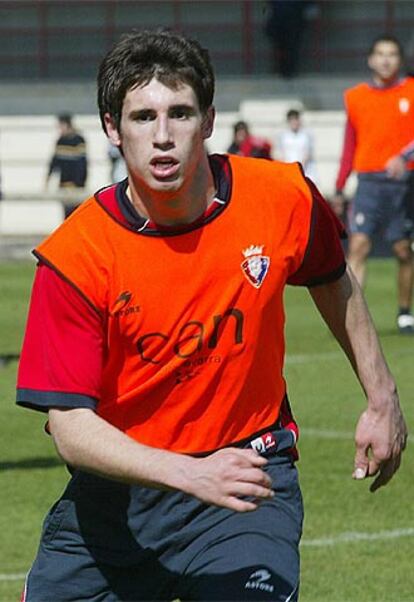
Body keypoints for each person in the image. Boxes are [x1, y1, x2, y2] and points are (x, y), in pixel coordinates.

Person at [16, 30, 407, 602]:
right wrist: (187, 473)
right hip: (117, 498)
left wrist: (382, 397)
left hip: (247, 473)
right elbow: (72, 430)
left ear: (208, 120)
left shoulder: (282, 196)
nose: (164, 136)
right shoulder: (75, 259)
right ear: (111, 128)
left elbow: (331, 275)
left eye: (180, 113)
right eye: (143, 117)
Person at [334, 35, 414, 334]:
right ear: (370, 59)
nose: (385, 59)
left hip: (403, 184)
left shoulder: (412, 92)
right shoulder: (355, 97)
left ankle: (405, 313)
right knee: (359, 245)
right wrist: (340, 185)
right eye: (380, 53)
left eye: (392, 54)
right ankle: (351, 318)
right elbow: (349, 144)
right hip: (368, 182)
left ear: (400, 60)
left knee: (403, 249)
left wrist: (404, 157)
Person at [46, 112, 88, 217]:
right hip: (63, 183)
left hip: (76, 184)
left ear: (66, 125)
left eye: (60, 126)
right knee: (66, 214)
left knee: (76, 213)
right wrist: (48, 178)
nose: (59, 129)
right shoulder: (60, 141)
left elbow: (82, 165)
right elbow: (54, 162)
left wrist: (80, 183)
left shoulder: (78, 140)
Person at [276, 108, 318, 183]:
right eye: (291, 120)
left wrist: (299, 170)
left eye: (296, 119)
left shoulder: (306, 135)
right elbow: (281, 154)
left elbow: (307, 154)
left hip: (305, 171)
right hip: (289, 171)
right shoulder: (283, 136)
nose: (294, 122)